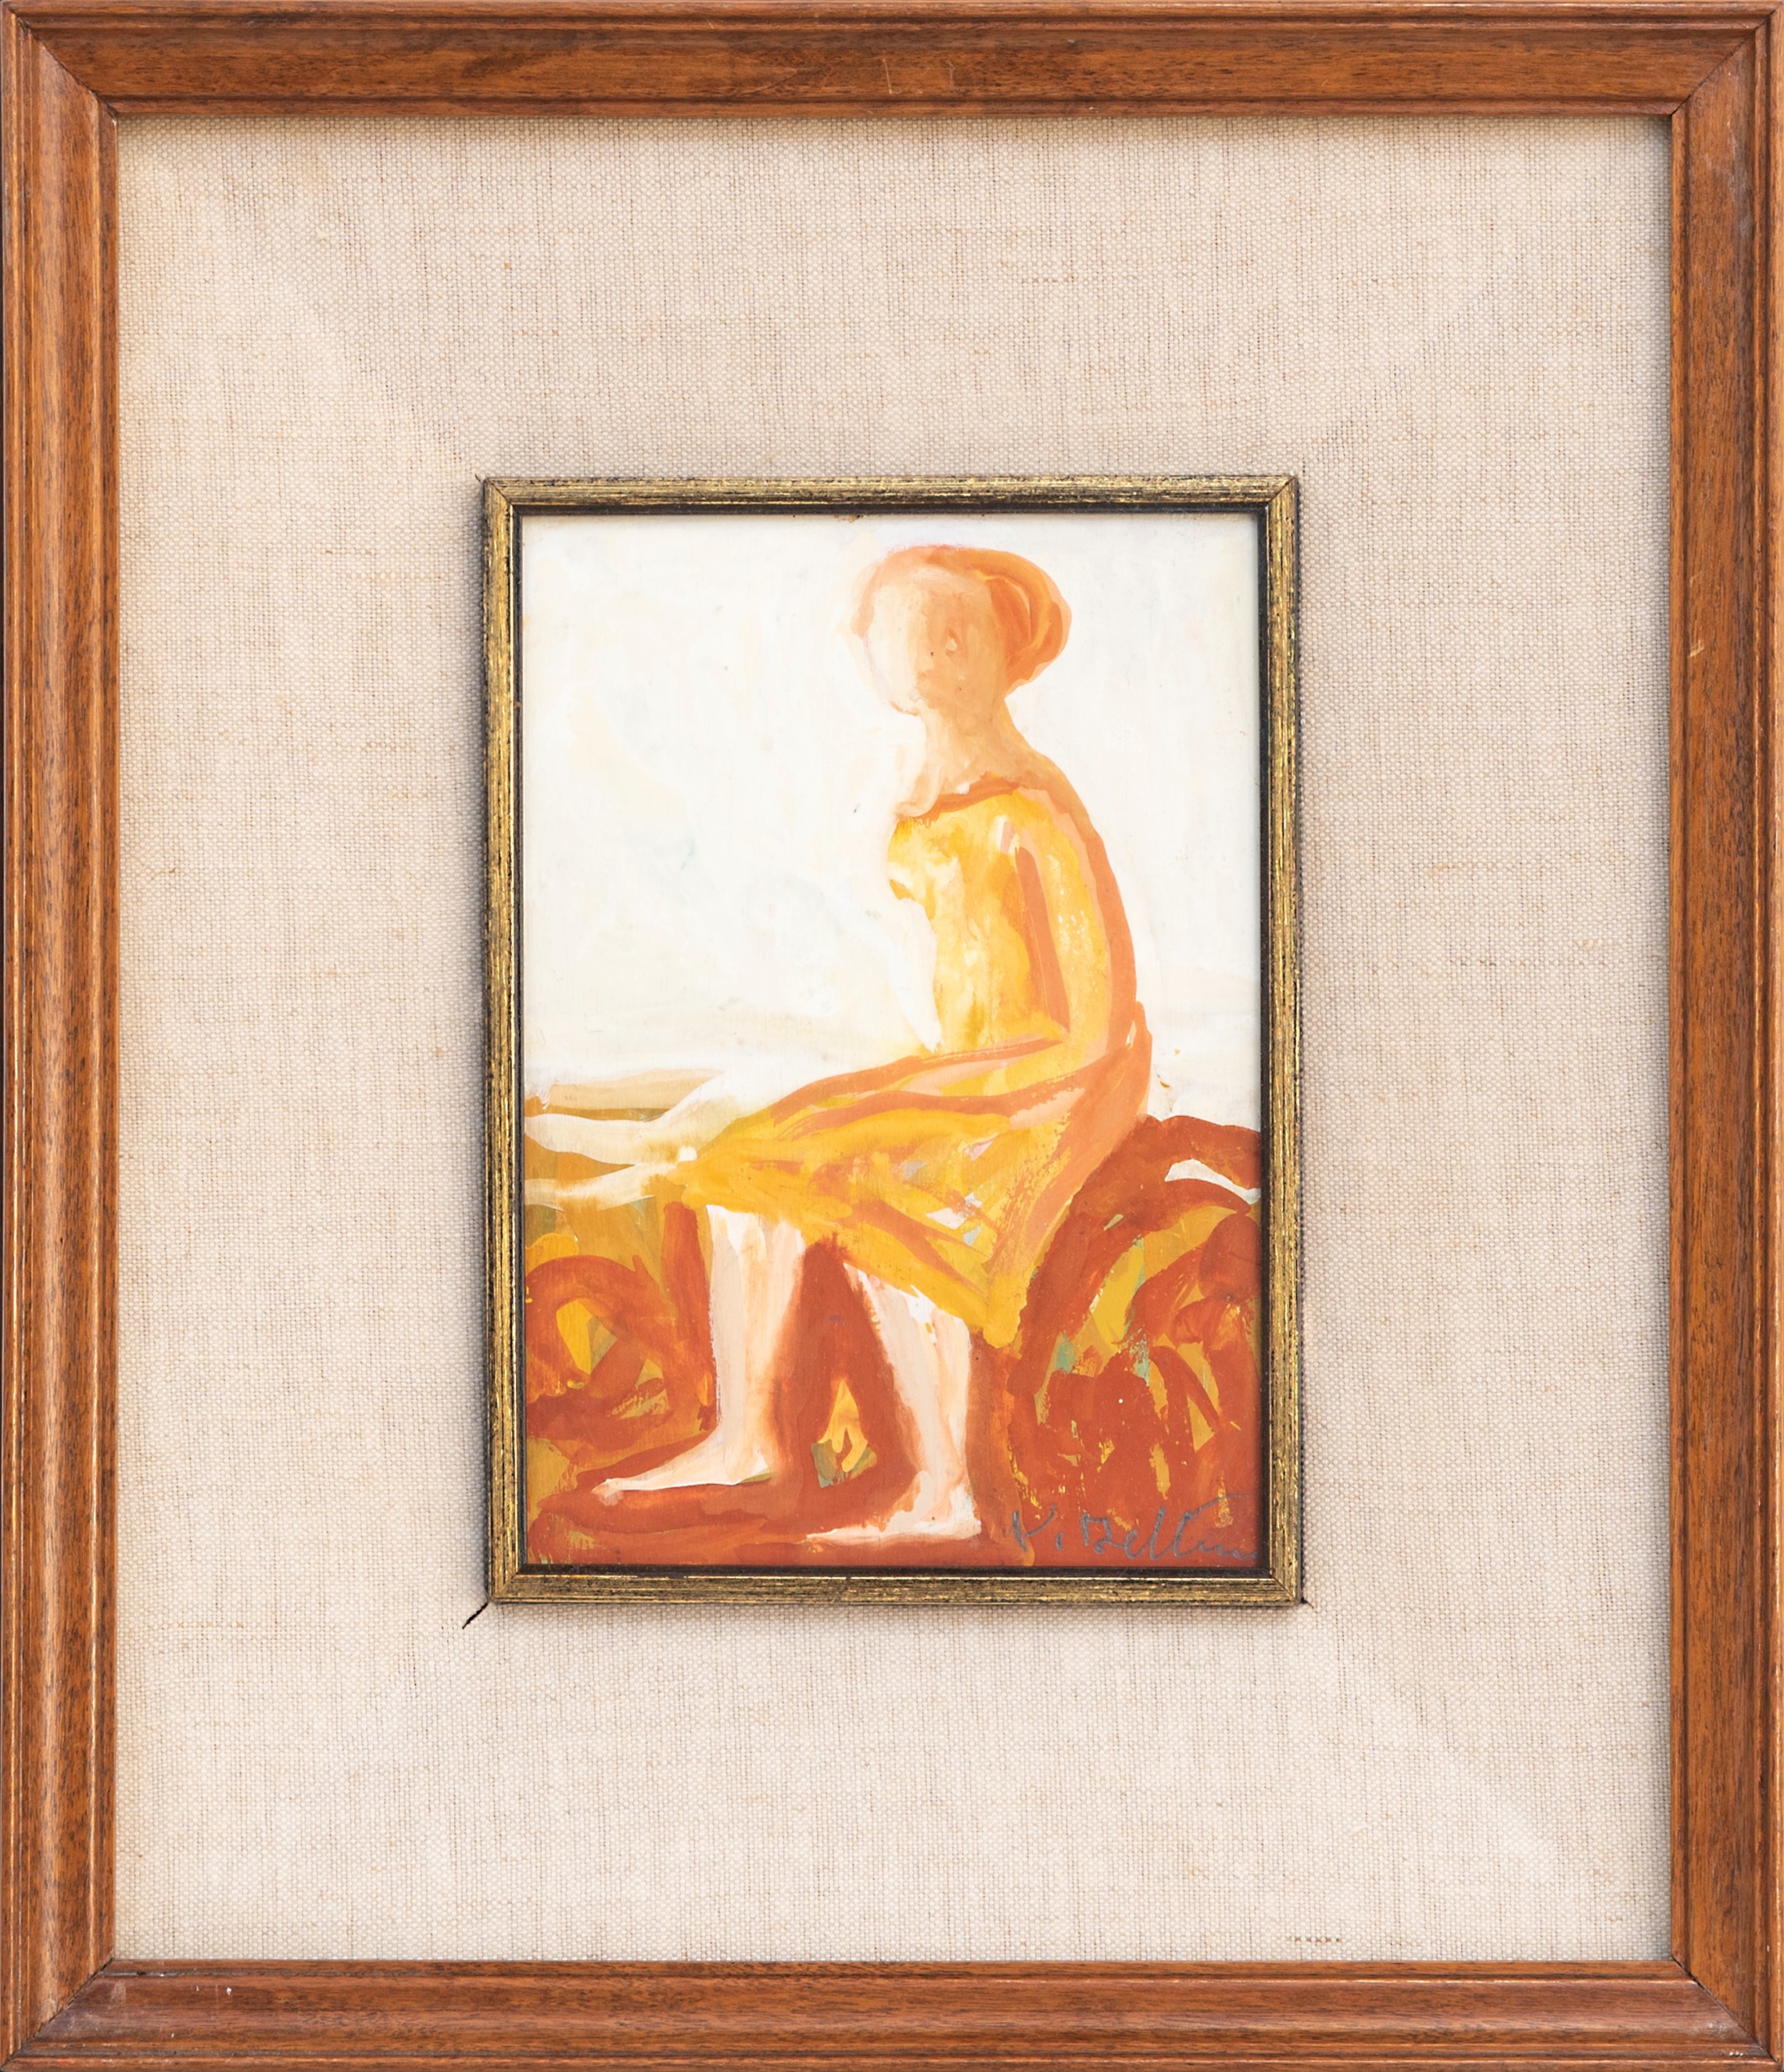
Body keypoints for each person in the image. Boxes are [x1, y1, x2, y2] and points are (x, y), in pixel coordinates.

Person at [533, 543, 1152, 1541]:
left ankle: (944, 1489)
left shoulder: (1031, 812)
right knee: (745, 1157)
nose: (923, 651)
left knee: (876, 1185)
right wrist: (911, 1082)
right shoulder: (926, 796)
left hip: (1044, 1086)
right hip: (970, 1076)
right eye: (906, 631)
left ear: (993, 652)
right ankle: (746, 1435)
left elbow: (1084, 1028)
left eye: (950, 632)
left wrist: (935, 1093)